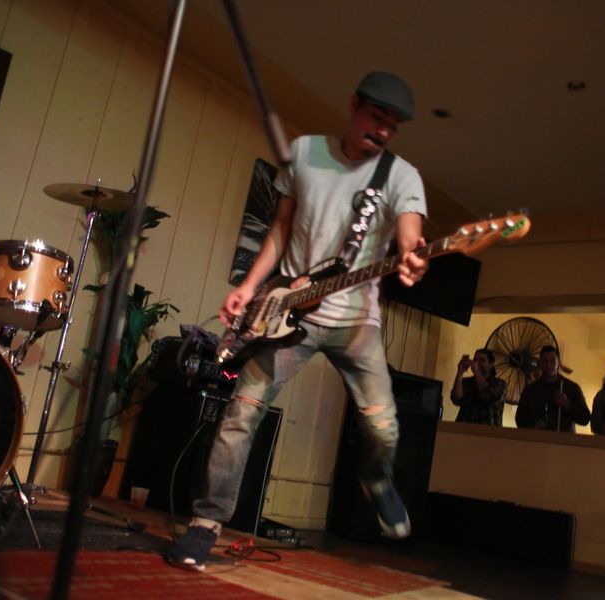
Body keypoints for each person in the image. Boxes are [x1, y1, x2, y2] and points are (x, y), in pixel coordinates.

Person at [166, 71, 429, 571]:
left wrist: (414, 256)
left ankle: (376, 478)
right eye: (376, 117)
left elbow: (410, 234)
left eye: (393, 126)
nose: (382, 131)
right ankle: (205, 524)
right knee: (241, 414)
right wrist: (250, 286)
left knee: (385, 429)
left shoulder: (400, 176)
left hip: (356, 323)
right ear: (353, 105)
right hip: (287, 312)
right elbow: (281, 228)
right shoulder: (305, 153)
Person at [515, 346, 590, 433]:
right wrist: (532, 426)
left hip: (564, 440)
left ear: (558, 363)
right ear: (540, 363)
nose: (548, 365)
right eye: (545, 361)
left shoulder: (572, 388)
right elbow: (519, 420)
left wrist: (567, 404)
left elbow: (585, 419)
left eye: (552, 361)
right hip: (537, 440)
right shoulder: (530, 390)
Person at [450, 348, 507, 425]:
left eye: (482, 360)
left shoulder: (500, 383)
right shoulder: (466, 382)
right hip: (464, 429)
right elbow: (456, 400)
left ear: (491, 365)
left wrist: (476, 371)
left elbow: (490, 397)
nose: (476, 363)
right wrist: (460, 373)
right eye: (475, 359)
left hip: (489, 430)